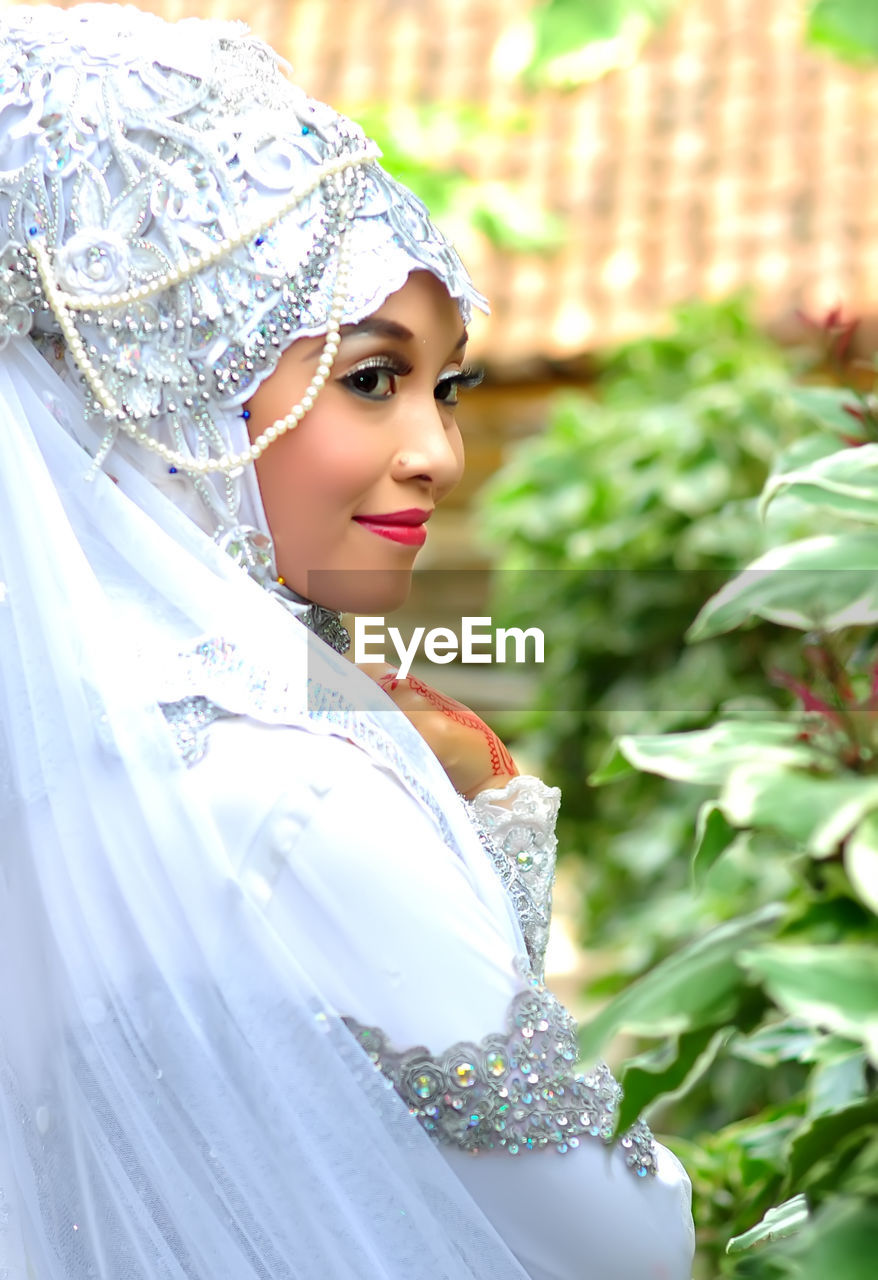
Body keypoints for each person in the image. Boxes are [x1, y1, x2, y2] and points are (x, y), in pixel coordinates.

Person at [0, 6, 695, 1279]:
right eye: (372, 379)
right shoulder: (296, 798)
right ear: (167, 387)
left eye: (449, 385)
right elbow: (626, 1238)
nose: (438, 453)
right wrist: (483, 818)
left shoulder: (54, 778)